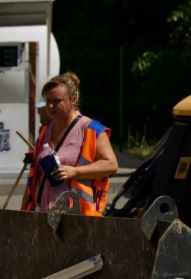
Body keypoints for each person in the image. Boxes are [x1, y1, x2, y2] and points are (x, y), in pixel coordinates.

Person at [21, 72, 118, 215]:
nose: (51, 106)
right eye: (48, 101)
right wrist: (24, 211)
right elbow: (35, 175)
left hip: (76, 216)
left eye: (57, 101)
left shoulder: (91, 128)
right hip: (42, 212)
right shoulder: (45, 130)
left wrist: (74, 172)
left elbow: (111, 165)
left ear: (73, 99)